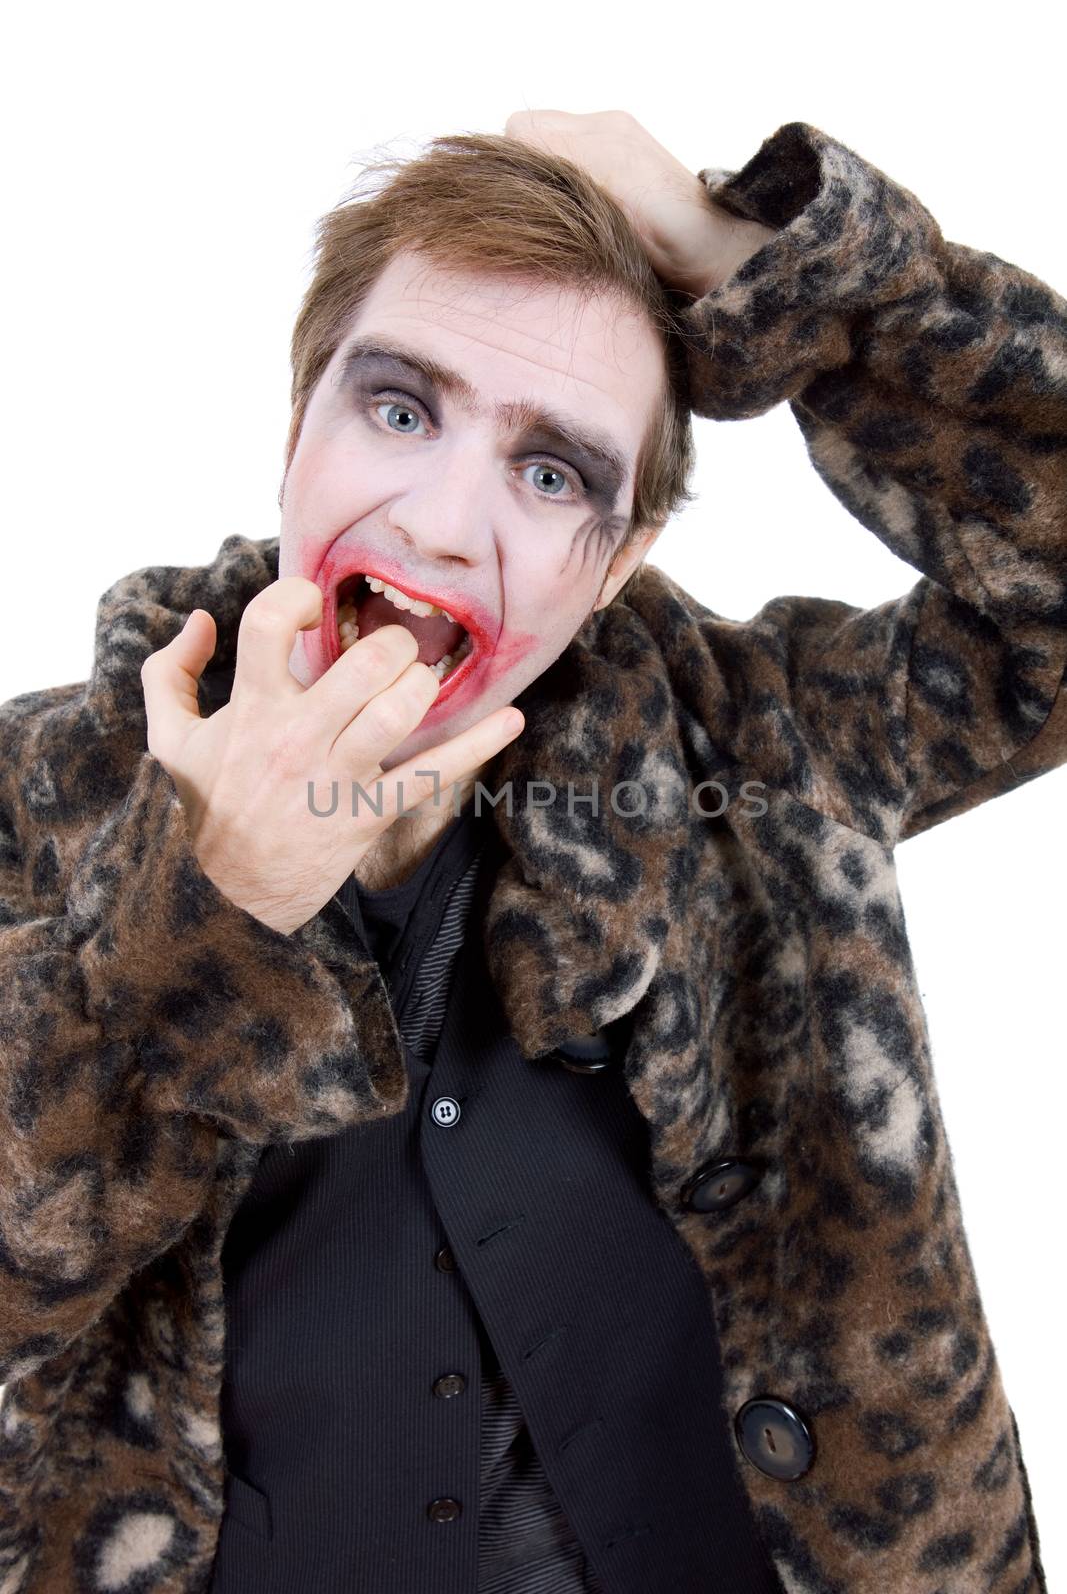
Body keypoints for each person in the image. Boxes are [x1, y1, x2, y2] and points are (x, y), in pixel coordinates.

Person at [0, 107, 1062, 1594]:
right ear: (294, 421)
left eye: (553, 474)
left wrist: (784, 270)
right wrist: (201, 912)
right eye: (398, 409)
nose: (442, 523)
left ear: (620, 559)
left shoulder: (764, 756)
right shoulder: (42, 795)